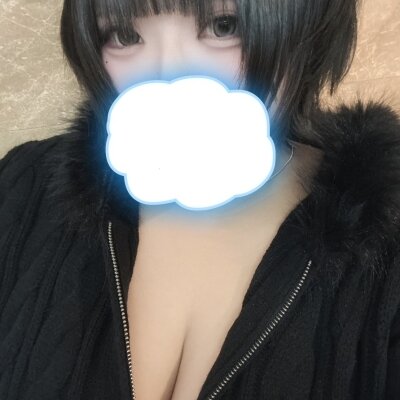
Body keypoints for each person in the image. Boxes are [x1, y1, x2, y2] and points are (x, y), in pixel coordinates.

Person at [0, 0, 399, 399]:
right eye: (124, 36)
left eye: (224, 26)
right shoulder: (23, 185)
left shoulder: (388, 251)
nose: (168, 75)